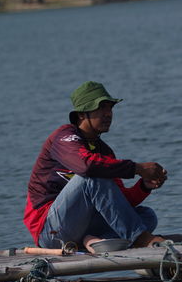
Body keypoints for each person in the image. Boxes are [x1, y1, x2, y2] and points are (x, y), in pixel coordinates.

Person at [23, 81, 167, 252]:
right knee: (93, 175)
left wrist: (144, 186)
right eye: (101, 108)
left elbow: (117, 203)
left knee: (146, 216)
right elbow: (87, 167)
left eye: (110, 108)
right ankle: (139, 239)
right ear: (82, 115)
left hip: (82, 226)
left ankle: (92, 240)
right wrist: (137, 168)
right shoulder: (63, 137)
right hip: (51, 231)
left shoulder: (104, 151)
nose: (108, 114)